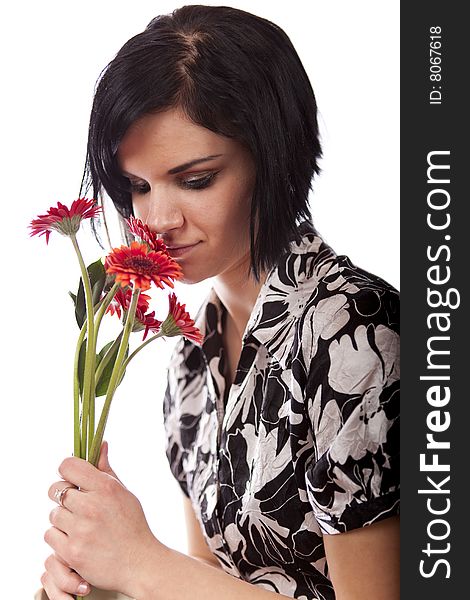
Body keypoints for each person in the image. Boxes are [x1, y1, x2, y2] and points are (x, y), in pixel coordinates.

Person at [40, 5, 400, 599]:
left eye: (196, 179)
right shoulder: (187, 356)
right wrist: (103, 580)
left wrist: (139, 562)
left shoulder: (357, 332)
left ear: (274, 156)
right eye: (137, 186)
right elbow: (213, 584)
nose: (156, 221)